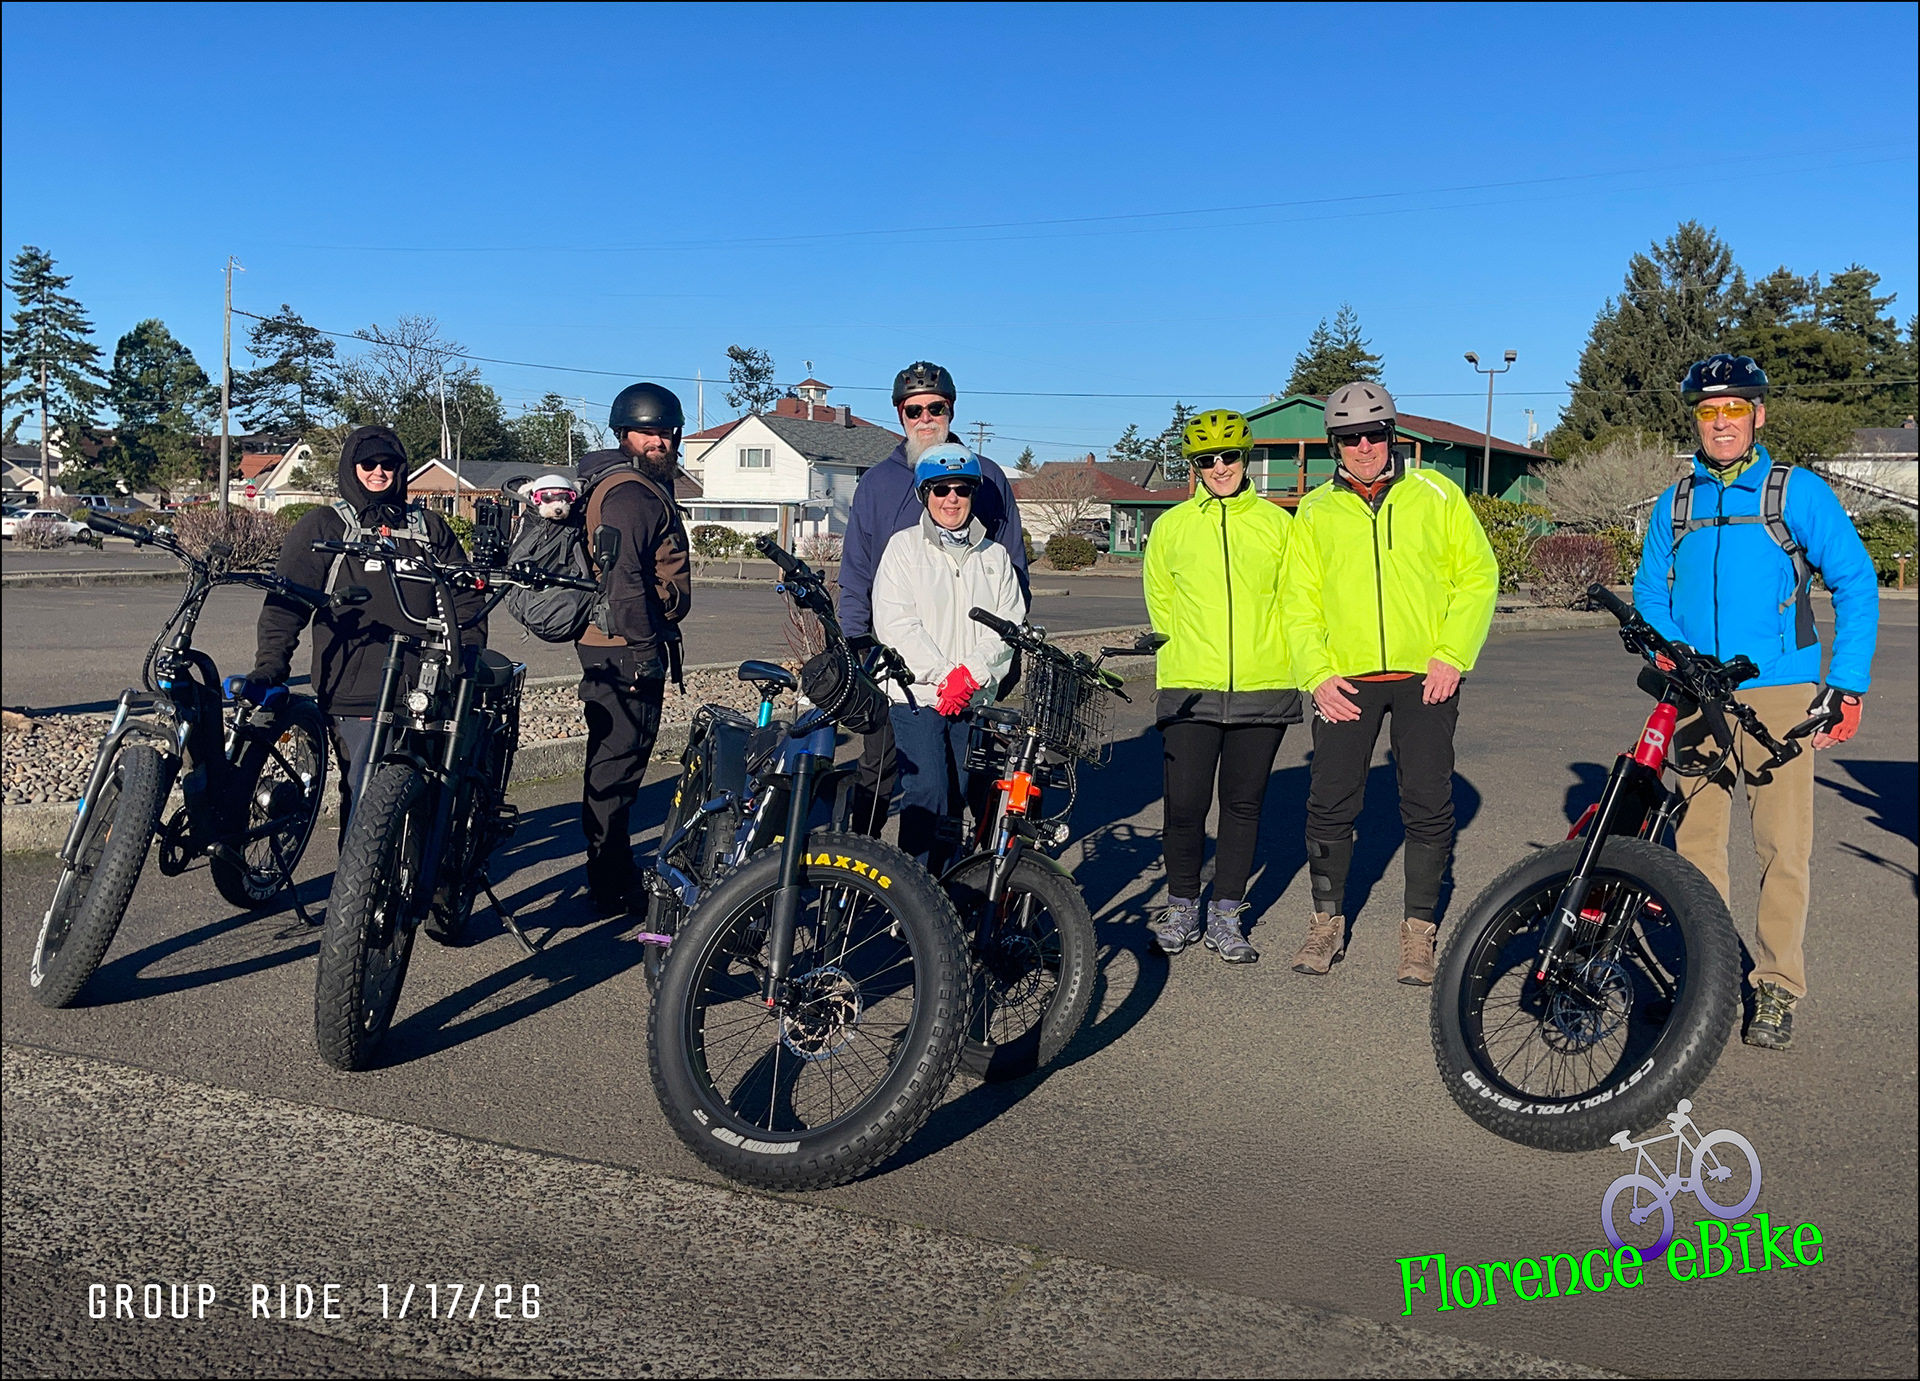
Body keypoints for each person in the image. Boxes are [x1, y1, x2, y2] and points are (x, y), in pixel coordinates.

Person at [1634, 354, 1879, 1051]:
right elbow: (1649, 590)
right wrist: (1677, 653)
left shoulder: (1793, 492)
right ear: (1696, 420)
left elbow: (1856, 581)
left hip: (1779, 694)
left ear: (1757, 414)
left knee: (1782, 848)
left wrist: (1848, 682)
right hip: (1697, 694)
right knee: (1694, 848)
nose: (1721, 422)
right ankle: (1705, 979)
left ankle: (1775, 985)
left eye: (1734, 409)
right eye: (1708, 411)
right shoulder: (1675, 502)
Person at [1281, 382, 1498, 985]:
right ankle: (1326, 922)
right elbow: (1297, 601)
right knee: (1330, 801)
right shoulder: (1315, 512)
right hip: (1344, 678)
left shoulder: (1437, 494)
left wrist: (1452, 655)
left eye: (1373, 434)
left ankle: (1418, 931)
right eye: (1349, 437)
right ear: (1334, 445)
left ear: (1391, 435)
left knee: (1427, 801)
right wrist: (1316, 674)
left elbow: (1478, 576)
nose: (1363, 446)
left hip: (1424, 674)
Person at [247, 424, 485, 833]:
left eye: (388, 463)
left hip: (426, 691)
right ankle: (357, 877)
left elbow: (466, 600)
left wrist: (465, 659)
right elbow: (286, 605)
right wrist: (271, 665)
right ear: (351, 467)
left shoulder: (429, 529)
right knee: (366, 800)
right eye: (368, 463)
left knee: (432, 798)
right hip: (354, 693)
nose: (379, 471)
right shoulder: (325, 526)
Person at [839, 361, 1030, 836]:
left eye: (936, 408)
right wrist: (856, 642)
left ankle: (966, 873)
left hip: (971, 666)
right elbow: (857, 571)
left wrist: (997, 661)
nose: (925, 419)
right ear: (900, 415)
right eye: (914, 410)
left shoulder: (987, 475)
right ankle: (858, 866)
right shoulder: (877, 482)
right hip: (894, 662)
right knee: (883, 774)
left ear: (951, 410)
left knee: (969, 781)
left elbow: (1011, 570)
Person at [1143, 410, 1298, 963]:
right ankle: (1183, 906)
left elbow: (1295, 600)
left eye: (1229, 456)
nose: (1219, 467)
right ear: (1195, 466)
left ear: (1245, 459)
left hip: (1265, 683)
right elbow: (1161, 603)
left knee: (1242, 806)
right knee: (1184, 806)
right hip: (1190, 686)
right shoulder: (1172, 527)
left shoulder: (1279, 525)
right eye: (1207, 459)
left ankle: (1227, 915)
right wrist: (1187, 655)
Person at [869, 443, 1024, 873]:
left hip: (971, 697)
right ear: (925, 494)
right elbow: (895, 623)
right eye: (940, 489)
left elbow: (1008, 627)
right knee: (927, 792)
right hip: (917, 695)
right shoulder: (903, 549)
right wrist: (943, 676)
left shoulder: (995, 557)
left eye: (961, 489)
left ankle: (947, 884)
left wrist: (969, 676)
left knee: (959, 795)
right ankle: (912, 890)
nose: (951, 499)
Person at [572, 382, 693, 916]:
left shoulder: (633, 484)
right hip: (623, 646)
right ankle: (610, 881)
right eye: (647, 432)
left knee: (616, 761)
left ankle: (610, 871)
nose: (658, 441)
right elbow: (623, 579)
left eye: (666, 432)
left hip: (618, 642)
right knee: (616, 766)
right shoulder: (631, 494)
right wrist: (645, 648)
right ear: (624, 434)